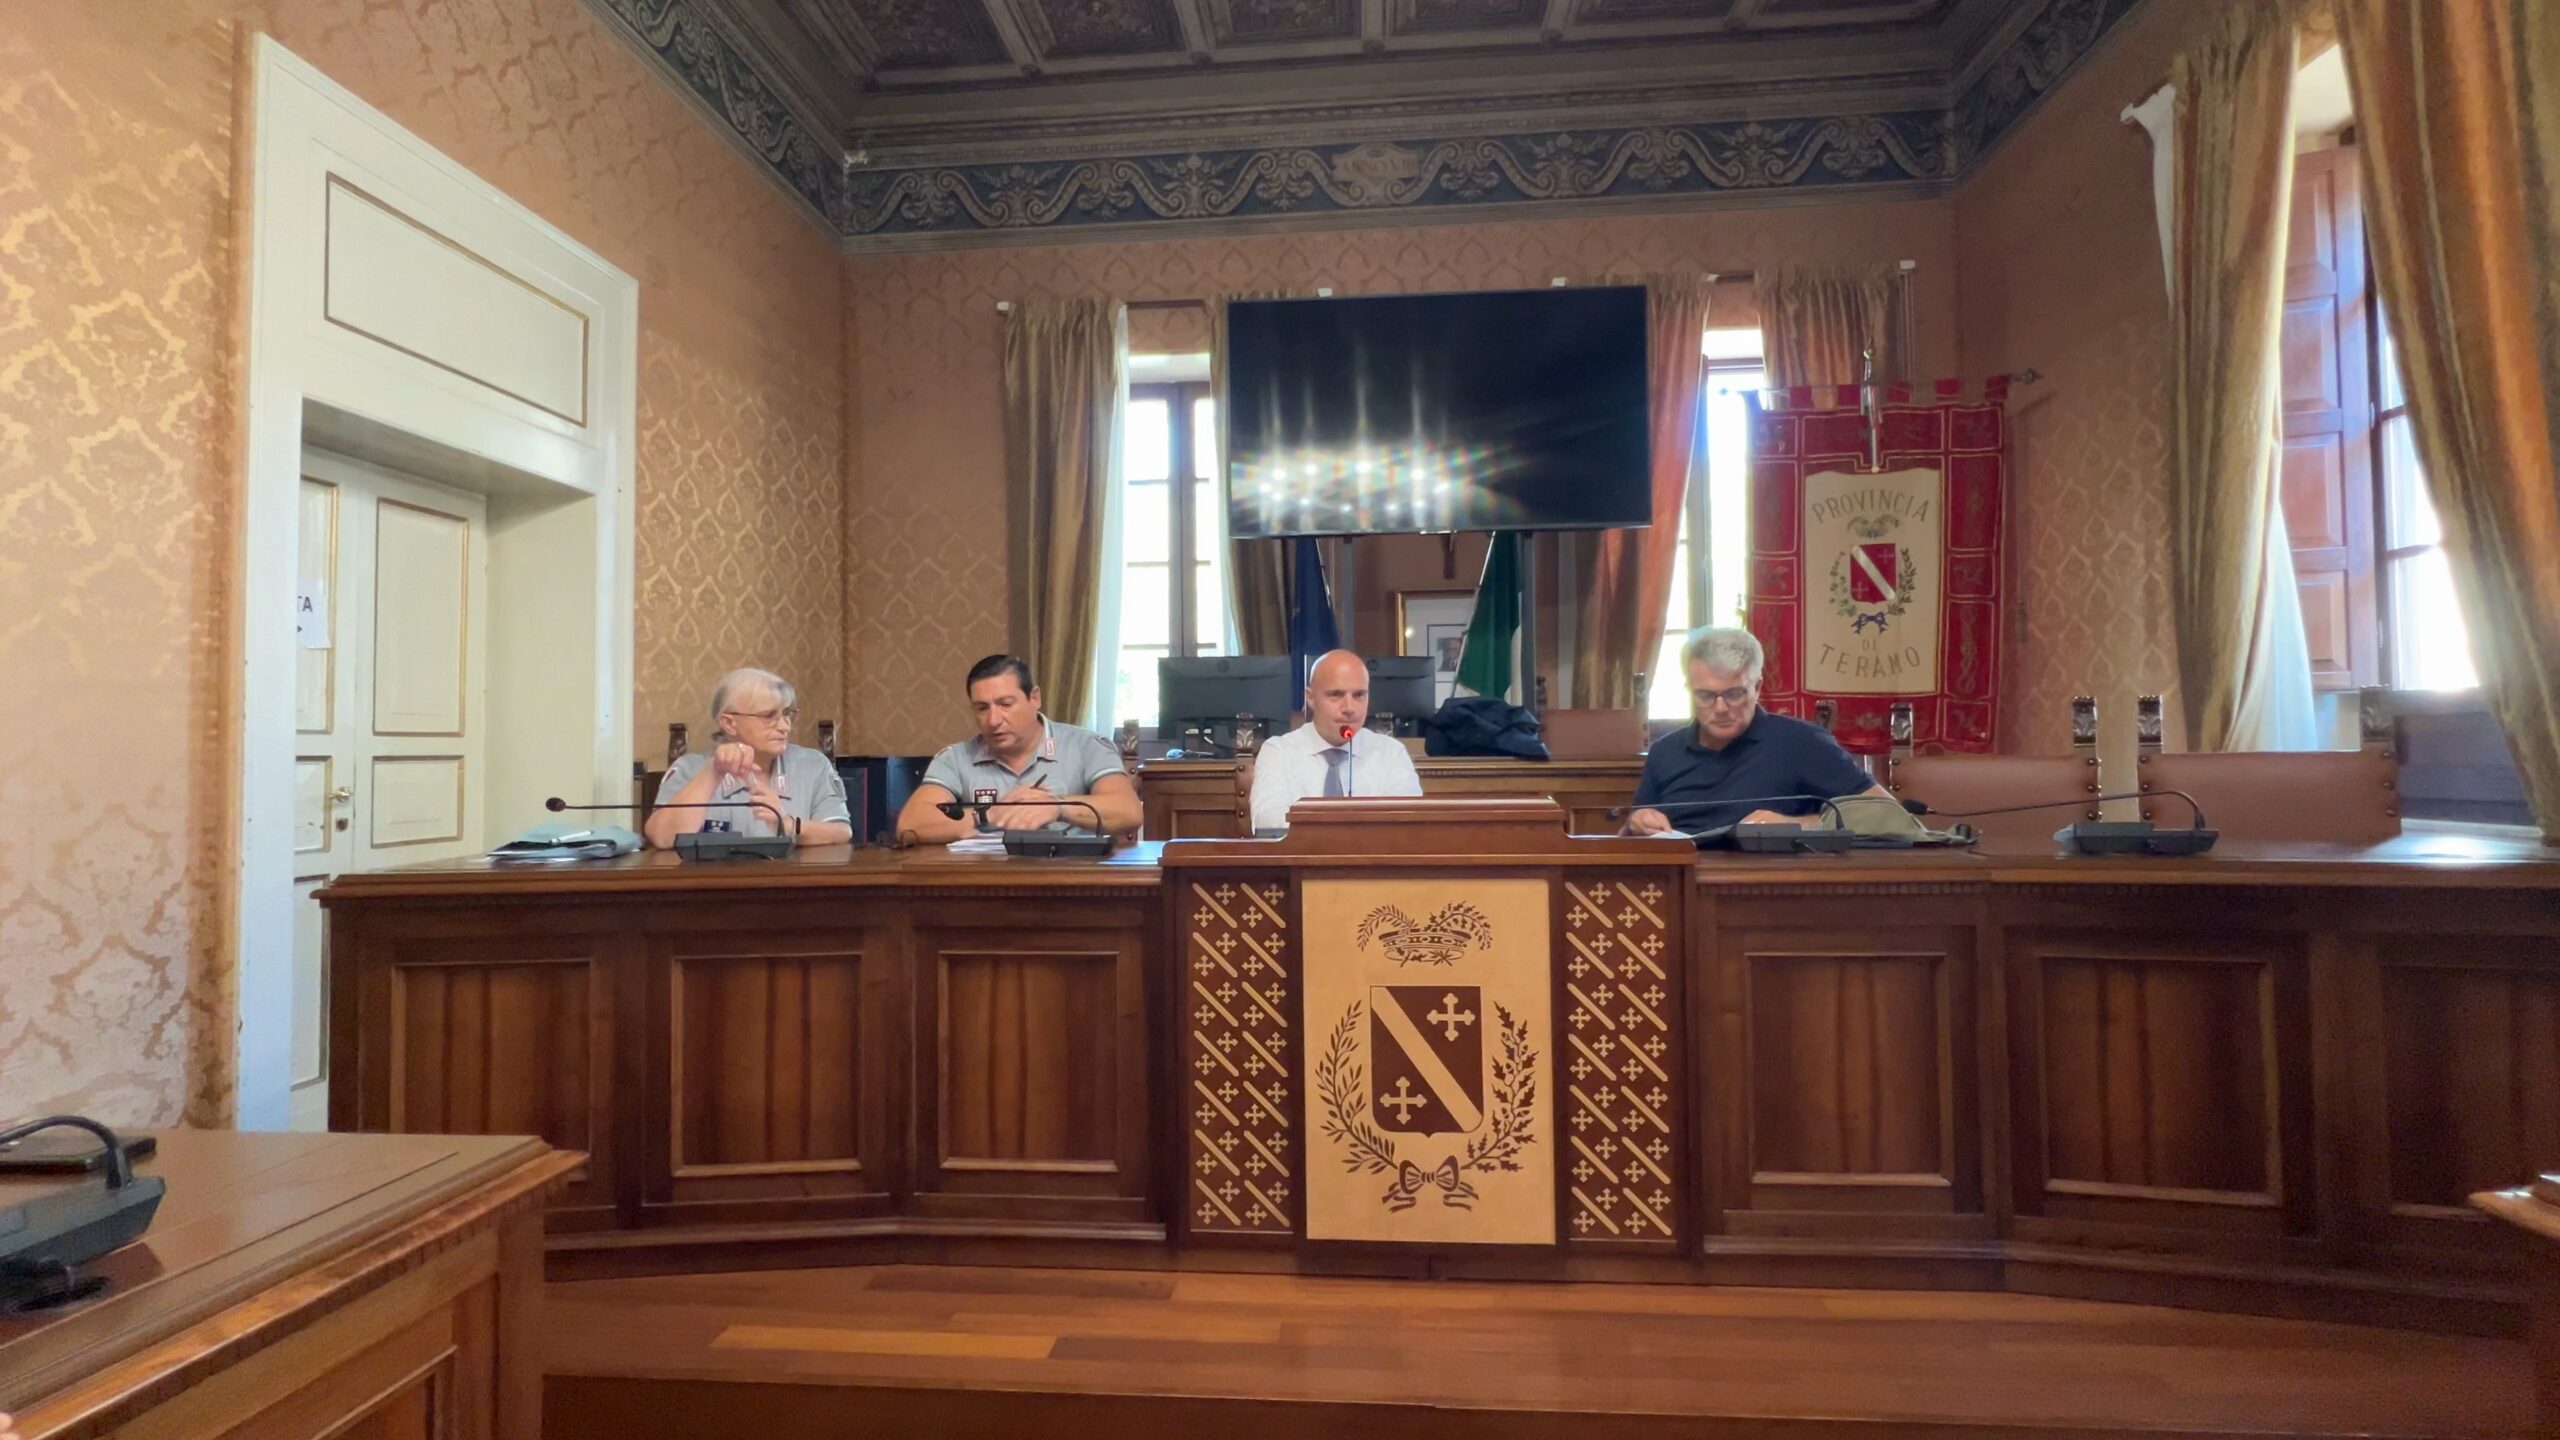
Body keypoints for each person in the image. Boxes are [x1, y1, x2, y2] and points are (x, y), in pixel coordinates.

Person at [1623, 626, 1902, 837]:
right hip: (1679, 884)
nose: (1720, 708)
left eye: (1734, 694)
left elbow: (1886, 814)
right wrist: (1636, 824)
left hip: (1769, 887)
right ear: (1690, 690)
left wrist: (1798, 825)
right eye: (1706, 695)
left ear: (1757, 688)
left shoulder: (1802, 743)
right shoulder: (1664, 752)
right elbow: (1632, 834)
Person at [897, 654, 1143, 844]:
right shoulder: (955, 758)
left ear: (1034, 698)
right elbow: (910, 825)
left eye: (1005, 704)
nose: (993, 720)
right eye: (982, 708)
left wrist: (1057, 806)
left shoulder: (1086, 745)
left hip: (1071, 880)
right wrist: (987, 816)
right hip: (984, 882)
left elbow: (1128, 812)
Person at [645, 668, 854, 849]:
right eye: (769, 716)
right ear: (729, 723)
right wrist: (713, 772)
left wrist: (788, 824)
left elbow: (841, 832)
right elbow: (663, 838)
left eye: (786, 714)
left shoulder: (813, 765)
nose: (784, 726)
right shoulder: (689, 769)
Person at [1249, 649, 1424, 830]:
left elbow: (1408, 825)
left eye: (1359, 695)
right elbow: (1268, 823)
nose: (1349, 708)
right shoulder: (1279, 752)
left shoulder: (1391, 753)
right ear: (1310, 698)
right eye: (1336, 695)